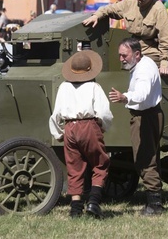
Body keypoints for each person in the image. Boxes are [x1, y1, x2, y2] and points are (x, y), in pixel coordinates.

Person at [49, 50, 113, 219]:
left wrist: (58, 133)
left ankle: (75, 209)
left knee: (74, 168)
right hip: (89, 125)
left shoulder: (63, 87)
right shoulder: (94, 87)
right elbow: (104, 113)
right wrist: (103, 127)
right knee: (100, 163)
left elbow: (56, 114)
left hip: (70, 127)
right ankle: (93, 202)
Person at [82, 0, 168, 75]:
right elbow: (110, 9)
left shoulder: (159, 9)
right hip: (131, 49)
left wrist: (164, 61)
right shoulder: (130, 2)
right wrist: (97, 15)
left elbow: (166, 38)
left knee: (146, 74)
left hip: (149, 51)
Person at [108, 38, 164, 216]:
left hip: (146, 117)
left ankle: (155, 206)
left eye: (124, 55)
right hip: (148, 115)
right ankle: (155, 201)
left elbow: (142, 93)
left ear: (137, 54)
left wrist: (124, 97)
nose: (121, 59)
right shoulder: (142, 64)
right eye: (120, 55)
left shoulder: (144, 70)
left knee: (145, 159)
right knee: (148, 157)